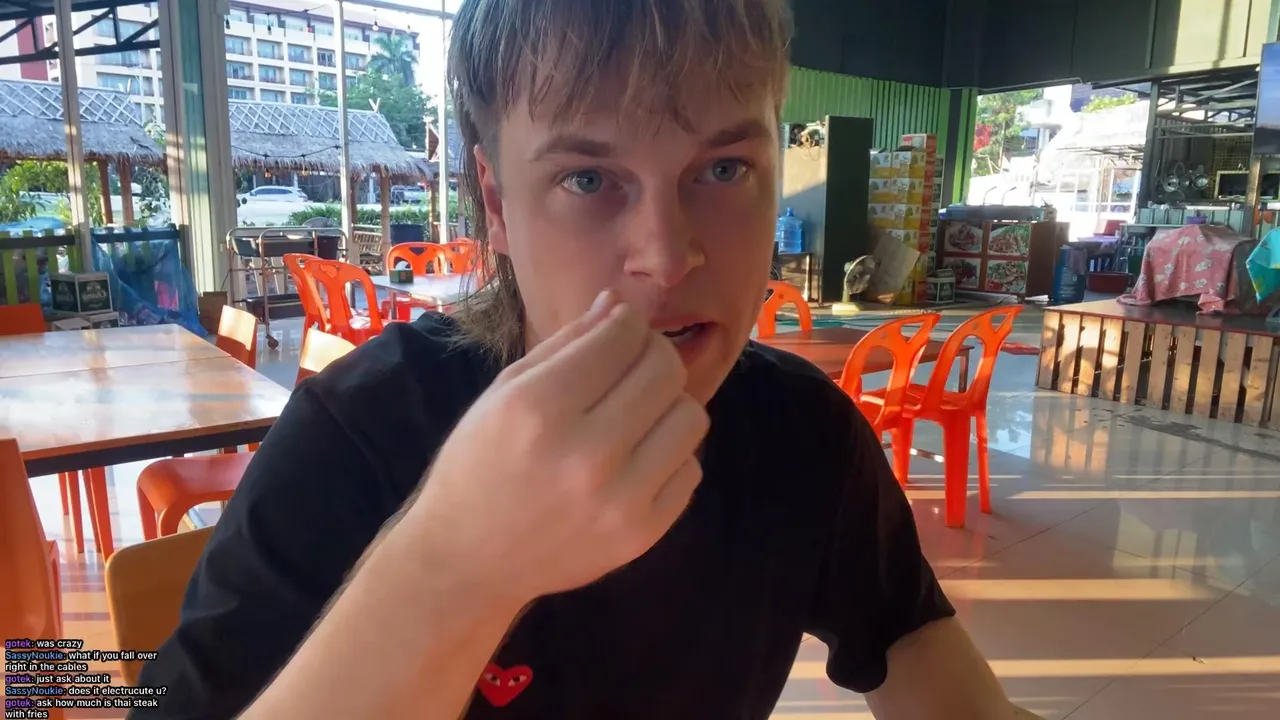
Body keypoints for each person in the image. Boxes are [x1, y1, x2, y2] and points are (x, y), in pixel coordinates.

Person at [133, 1, 1042, 718]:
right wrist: (451, 565)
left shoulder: (802, 436)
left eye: (724, 169)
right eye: (588, 179)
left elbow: (918, 649)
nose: (667, 255)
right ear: (496, 202)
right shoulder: (358, 437)